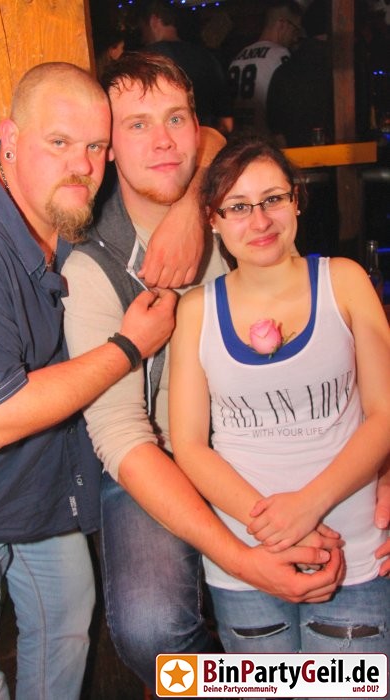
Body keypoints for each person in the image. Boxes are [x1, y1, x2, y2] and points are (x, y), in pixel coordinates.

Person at [62, 53, 345, 694]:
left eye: (176, 119)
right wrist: (239, 557)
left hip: (272, 437)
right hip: (159, 457)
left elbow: (332, 342)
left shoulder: (243, 213)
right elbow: (122, 437)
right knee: (151, 631)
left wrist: (194, 207)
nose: (163, 140)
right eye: (137, 125)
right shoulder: (92, 266)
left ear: (197, 127)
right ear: (108, 147)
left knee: (338, 581)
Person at [0, 61, 178, 700]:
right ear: (9, 138)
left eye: (95, 146)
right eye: (59, 142)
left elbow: (205, 144)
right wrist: (129, 347)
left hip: (45, 484)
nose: (81, 165)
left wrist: (188, 211)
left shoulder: (68, 199)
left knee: (67, 632)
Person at [169, 135, 390, 673]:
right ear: (213, 219)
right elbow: (189, 445)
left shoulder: (344, 281)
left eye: (273, 199)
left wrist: (308, 505)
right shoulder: (196, 311)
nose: (260, 220)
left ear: (296, 200)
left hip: (351, 548)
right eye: (238, 207)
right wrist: (273, 526)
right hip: (248, 560)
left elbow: (385, 413)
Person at [137, 0, 233, 135]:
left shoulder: (142, 60)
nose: (143, 36)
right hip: (205, 140)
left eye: (142, 29)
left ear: (154, 21)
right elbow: (226, 122)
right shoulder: (207, 57)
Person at [228, 0, 303, 135]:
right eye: (295, 30)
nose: (295, 38)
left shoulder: (239, 56)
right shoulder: (281, 56)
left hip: (239, 138)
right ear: (282, 24)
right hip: (266, 139)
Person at [267, 0, 334, 147]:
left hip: (294, 155)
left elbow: (275, 128)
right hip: (338, 156)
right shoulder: (342, 69)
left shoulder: (283, 70)